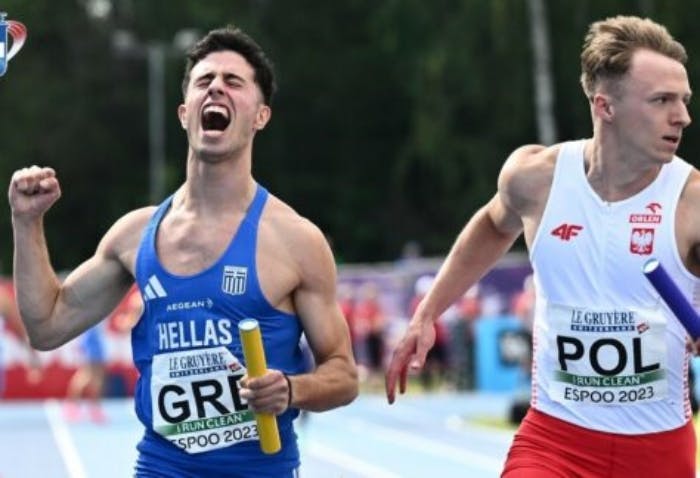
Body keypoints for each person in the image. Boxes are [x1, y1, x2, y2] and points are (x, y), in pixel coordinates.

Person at [9, 25, 358, 477]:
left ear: (260, 116)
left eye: (234, 82)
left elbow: (344, 374)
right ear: (183, 112)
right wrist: (27, 222)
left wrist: (292, 390)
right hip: (162, 468)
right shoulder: (134, 236)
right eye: (204, 80)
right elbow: (46, 326)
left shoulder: (295, 240)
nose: (216, 88)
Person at [385, 15, 698, 477]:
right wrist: (427, 313)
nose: (682, 116)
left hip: (657, 450)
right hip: (556, 441)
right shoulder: (536, 179)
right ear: (605, 106)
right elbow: (493, 226)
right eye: (662, 100)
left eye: (684, 100)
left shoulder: (691, 202)